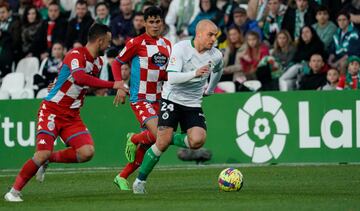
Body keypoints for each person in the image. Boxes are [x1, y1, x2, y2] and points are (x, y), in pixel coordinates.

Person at [4, 23, 127, 202]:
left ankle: (49, 160)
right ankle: (13, 192)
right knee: (41, 153)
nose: (109, 45)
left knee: (87, 152)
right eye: (107, 42)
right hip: (52, 110)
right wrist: (113, 85)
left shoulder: (98, 62)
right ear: (100, 41)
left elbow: (84, 84)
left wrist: (115, 89)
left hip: (72, 116)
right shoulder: (76, 54)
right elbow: (78, 77)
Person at [132, 19, 223, 194]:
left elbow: (219, 69)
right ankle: (140, 181)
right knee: (162, 143)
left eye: (215, 35)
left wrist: (210, 89)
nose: (213, 39)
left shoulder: (215, 55)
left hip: (193, 103)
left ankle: (165, 136)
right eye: (210, 35)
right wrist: (194, 73)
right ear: (199, 34)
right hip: (171, 100)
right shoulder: (181, 48)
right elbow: (171, 77)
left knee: (197, 140)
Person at [111, 6, 172, 191]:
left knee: (153, 144)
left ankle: (121, 176)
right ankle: (135, 138)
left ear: (162, 23)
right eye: (151, 22)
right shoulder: (135, 43)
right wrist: (120, 85)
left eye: (157, 21)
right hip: (141, 99)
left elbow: (166, 73)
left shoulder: (167, 44)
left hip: (160, 99)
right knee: (159, 136)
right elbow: (117, 62)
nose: (154, 25)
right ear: (144, 23)